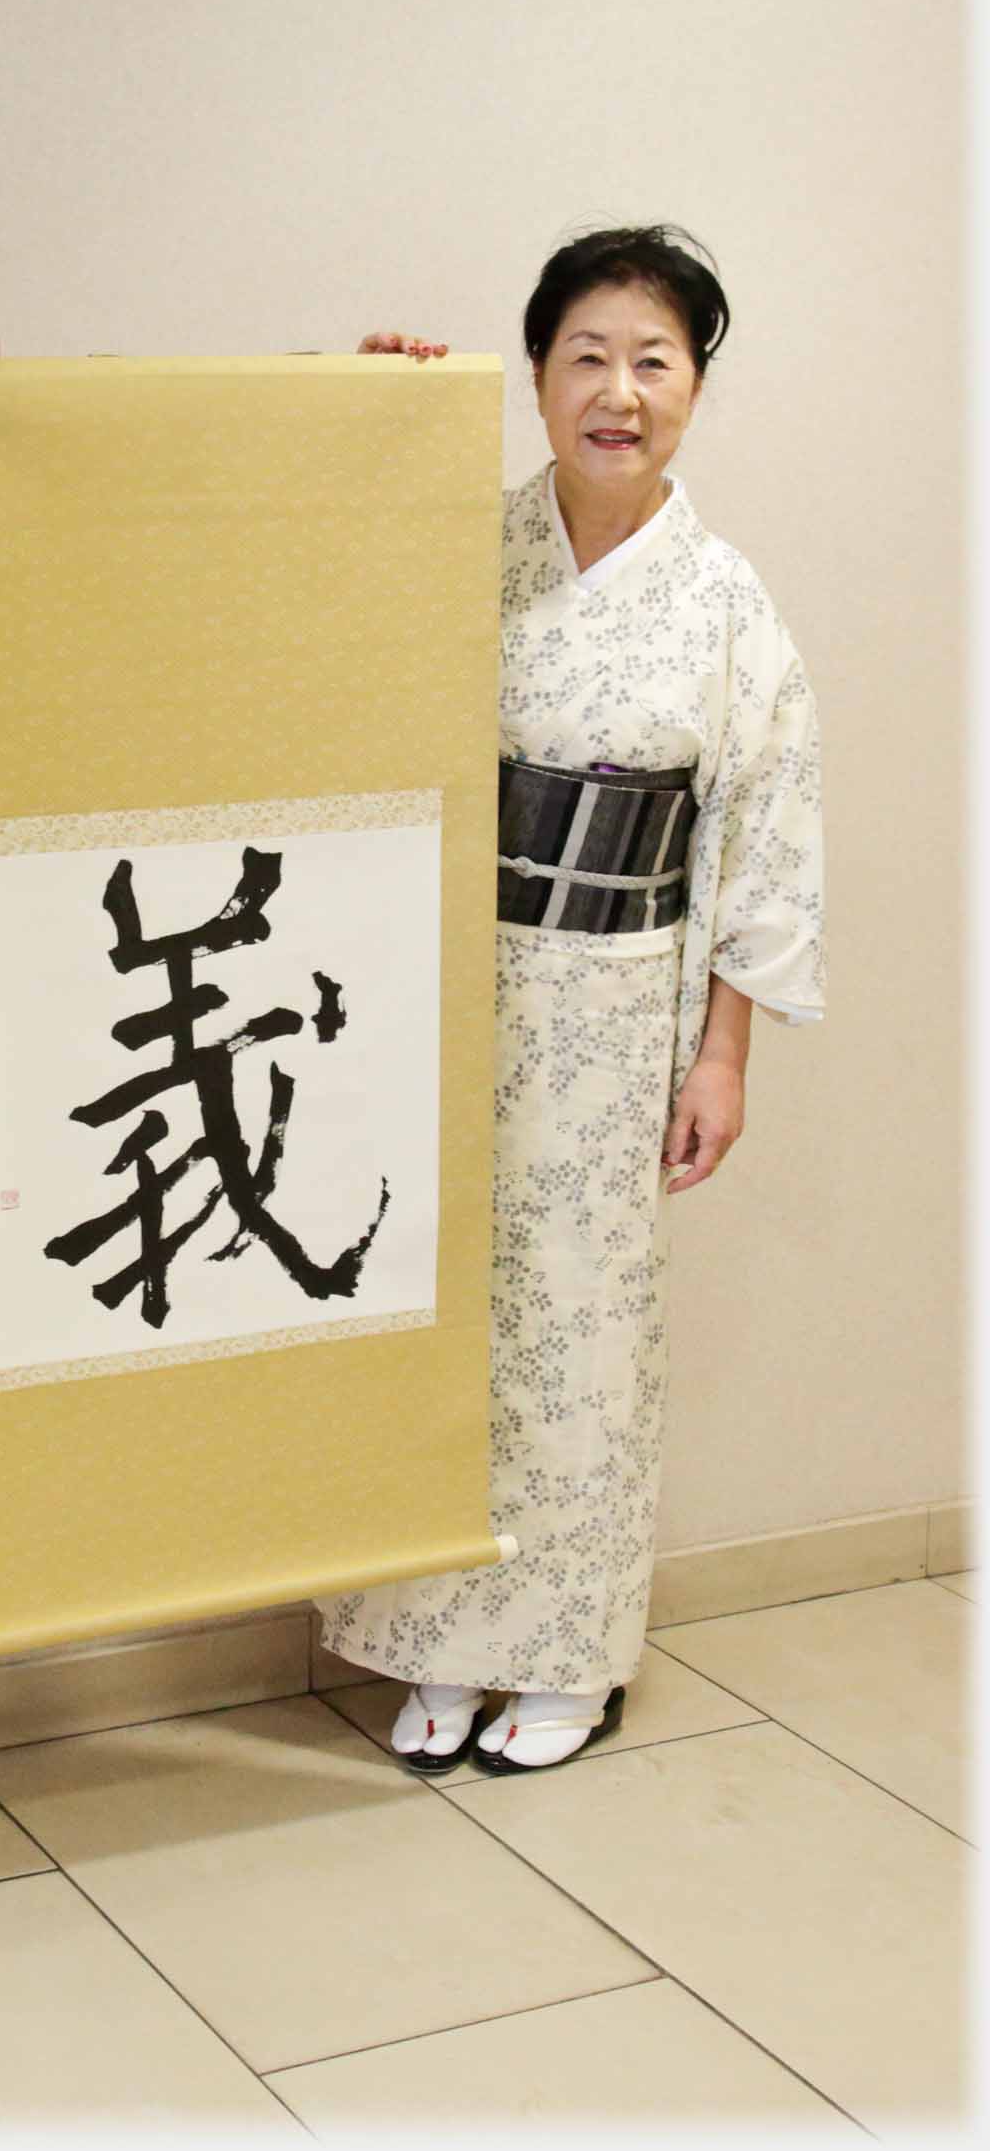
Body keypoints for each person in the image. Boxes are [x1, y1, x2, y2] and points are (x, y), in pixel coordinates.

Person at [318, 227, 824, 1775]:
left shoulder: (727, 608)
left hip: (616, 1002)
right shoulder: (462, 547)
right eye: (586, 355)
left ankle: (565, 1653)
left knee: (581, 1336)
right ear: (534, 378)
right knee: (432, 1312)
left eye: (653, 361)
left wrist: (721, 1060)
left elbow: (764, 837)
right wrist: (377, 432)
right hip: (441, 990)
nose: (619, 391)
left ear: (693, 391)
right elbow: (317, 643)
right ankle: (433, 1644)